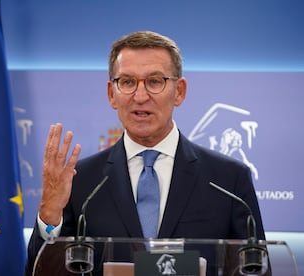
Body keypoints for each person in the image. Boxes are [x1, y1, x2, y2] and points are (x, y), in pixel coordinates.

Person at [25, 31, 266, 275]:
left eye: (154, 81)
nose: (140, 97)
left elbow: (255, 271)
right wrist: (49, 216)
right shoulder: (81, 181)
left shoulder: (227, 180)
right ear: (112, 94)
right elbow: (40, 272)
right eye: (127, 82)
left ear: (179, 91)